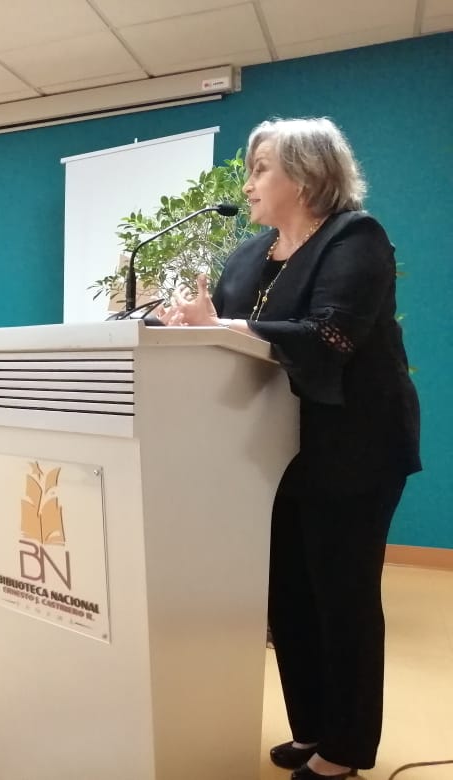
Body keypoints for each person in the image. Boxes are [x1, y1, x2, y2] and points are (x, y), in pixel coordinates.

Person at [159, 118, 421, 779]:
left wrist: (221, 324)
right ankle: (312, 728)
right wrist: (183, 328)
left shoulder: (354, 238)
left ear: (307, 176)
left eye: (261, 169)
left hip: (353, 447)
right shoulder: (249, 256)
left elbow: (331, 337)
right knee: (285, 598)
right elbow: (226, 341)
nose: (247, 183)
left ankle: (347, 747)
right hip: (265, 452)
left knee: (342, 596)